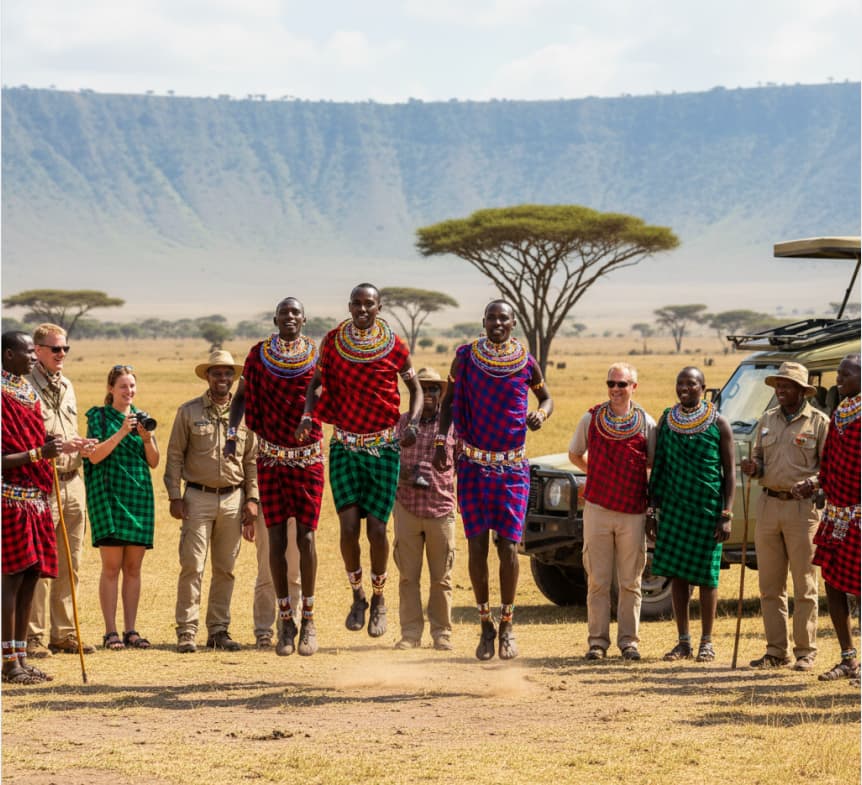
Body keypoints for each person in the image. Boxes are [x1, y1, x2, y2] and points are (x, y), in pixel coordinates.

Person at [298, 284, 423, 639]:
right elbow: (317, 385)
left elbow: (414, 389)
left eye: (369, 304)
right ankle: (358, 595)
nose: (362, 309)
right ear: (349, 305)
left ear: (379, 307)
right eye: (356, 303)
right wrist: (310, 413)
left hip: (384, 448)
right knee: (349, 528)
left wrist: (411, 422)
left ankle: (380, 598)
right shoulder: (334, 341)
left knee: (378, 530)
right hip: (345, 447)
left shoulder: (395, 345)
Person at [434, 300, 552, 661]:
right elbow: (448, 403)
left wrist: (540, 415)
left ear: (512, 323)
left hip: (513, 469)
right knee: (477, 548)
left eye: (504, 318)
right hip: (473, 466)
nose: (497, 323)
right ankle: (485, 623)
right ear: (483, 322)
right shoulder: (466, 357)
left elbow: (546, 398)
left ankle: (507, 625)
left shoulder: (526, 361)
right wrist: (441, 442)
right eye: (492, 318)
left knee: (508, 548)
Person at [230, 297, 324, 656]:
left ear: (304, 319)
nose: (289, 317)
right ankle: (285, 621)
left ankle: (309, 620)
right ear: (275, 318)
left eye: (295, 313)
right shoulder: (258, 355)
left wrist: (309, 415)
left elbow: (323, 394)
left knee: (307, 538)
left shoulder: (317, 356)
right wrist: (231, 435)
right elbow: (241, 398)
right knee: (276, 540)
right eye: (284, 313)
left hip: (308, 460)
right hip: (270, 457)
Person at [165, 350, 258, 653]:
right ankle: (187, 631)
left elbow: (252, 461)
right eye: (216, 373)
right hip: (196, 498)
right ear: (207, 376)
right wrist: (175, 496)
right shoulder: (189, 412)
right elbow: (175, 456)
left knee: (226, 568)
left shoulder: (245, 414)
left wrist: (252, 499)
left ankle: (218, 630)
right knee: (192, 565)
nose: (222, 378)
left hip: (233, 498)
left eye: (227, 373)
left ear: (233, 378)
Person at [740, 361, 829, 671]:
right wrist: (753, 469)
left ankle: (806, 651)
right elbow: (758, 461)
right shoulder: (766, 420)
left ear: (802, 391)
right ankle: (776, 651)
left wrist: (814, 483)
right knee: (769, 585)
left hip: (802, 510)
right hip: (768, 505)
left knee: (804, 584)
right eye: (778, 384)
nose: (780, 389)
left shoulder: (819, 422)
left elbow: (829, 469)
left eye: (787, 385)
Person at [647, 367, 735, 662]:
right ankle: (683, 642)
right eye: (680, 383)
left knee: (709, 578)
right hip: (674, 508)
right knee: (678, 576)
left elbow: (729, 473)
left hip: (707, 510)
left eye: (691, 383)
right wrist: (652, 511)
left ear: (703, 387)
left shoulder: (719, 423)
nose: (684, 388)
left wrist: (726, 513)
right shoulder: (667, 422)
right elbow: (658, 467)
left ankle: (706, 643)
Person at [569, 362, 656, 662]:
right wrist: (596, 475)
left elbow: (652, 466)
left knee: (631, 580)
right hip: (597, 508)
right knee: (598, 578)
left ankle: (629, 642)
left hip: (633, 510)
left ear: (634, 387)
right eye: (611, 384)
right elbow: (574, 454)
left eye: (622, 384)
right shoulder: (591, 418)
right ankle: (597, 642)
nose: (615, 390)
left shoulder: (647, 422)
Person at [26, 323, 97, 657]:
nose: (62, 355)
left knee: (72, 561)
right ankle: (34, 636)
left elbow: (68, 429)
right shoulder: (23, 387)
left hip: (73, 481)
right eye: (56, 349)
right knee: (40, 562)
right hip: (42, 484)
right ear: (38, 350)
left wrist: (80, 445)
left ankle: (65, 633)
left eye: (65, 348)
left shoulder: (67, 385)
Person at [2, 331, 66, 684]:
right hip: (9, 498)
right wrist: (39, 453)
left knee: (30, 578)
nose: (32, 357)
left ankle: (21, 658)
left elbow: (31, 441)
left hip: (35, 499)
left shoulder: (27, 393)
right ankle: (8, 662)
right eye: (27, 352)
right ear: (8, 354)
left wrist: (47, 443)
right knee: (10, 581)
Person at [84, 365, 160, 650]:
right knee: (111, 568)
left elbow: (153, 462)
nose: (128, 391)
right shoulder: (100, 418)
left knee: (133, 568)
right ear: (111, 389)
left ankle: (131, 630)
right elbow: (94, 457)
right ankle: (110, 631)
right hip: (110, 497)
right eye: (123, 387)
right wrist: (120, 431)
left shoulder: (143, 417)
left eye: (131, 386)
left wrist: (146, 437)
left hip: (138, 496)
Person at [393, 367, 457, 651]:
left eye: (434, 389)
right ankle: (410, 633)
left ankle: (442, 633)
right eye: (424, 388)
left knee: (441, 577)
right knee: (408, 576)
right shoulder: (402, 423)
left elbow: (463, 465)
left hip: (441, 508)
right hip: (406, 506)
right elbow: (387, 462)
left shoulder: (453, 427)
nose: (429, 394)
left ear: (442, 393)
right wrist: (406, 474)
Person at [808, 355, 861, 683]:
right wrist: (815, 483)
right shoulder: (840, 414)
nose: (838, 379)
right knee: (833, 581)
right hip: (837, 512)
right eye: (839, 373)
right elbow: (829, 462)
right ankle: (847, 658)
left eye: (846, 374)